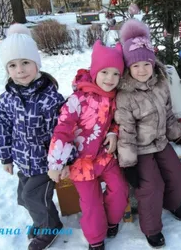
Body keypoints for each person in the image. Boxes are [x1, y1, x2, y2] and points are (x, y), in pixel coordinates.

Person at [115, 19, 181, 248]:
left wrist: (176, 134)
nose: (142, 70)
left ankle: (172, 203)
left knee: (177, 173)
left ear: (153, 64)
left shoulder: (160, 84)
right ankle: (152, 228)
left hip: (160, 142)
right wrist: (128, 164)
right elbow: (126, 132)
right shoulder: (125, 95)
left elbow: (168, 113)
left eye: (146, 65)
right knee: (151, 186)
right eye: (136, 66)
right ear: (129, 68)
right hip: (139, 150)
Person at [47, 40, 129, 250]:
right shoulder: (78, 99)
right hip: (81, 163)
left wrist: (113, 132)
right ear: (94, 71)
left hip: (104, 156)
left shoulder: (113, 97)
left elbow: (114, 120)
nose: (110, 79)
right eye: (104, 72)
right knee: (91, 203)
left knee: (119, 190)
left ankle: (112, 222)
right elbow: (62, 130)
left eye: (115, 74)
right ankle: (95, 239)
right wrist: (56, 163)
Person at [0, 23, 67, 250]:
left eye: (25, 62)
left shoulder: (50, 98)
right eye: (13, 65)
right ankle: (41, 220)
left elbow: (63, 132)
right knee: (24, 197)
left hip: (47, 163)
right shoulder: (6, 99)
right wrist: (5, 158)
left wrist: (64, 160)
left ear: (37, 63)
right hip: (23, 161)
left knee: (33, 196)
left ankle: (50, 226)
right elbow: (2, 129)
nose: (20, 70)